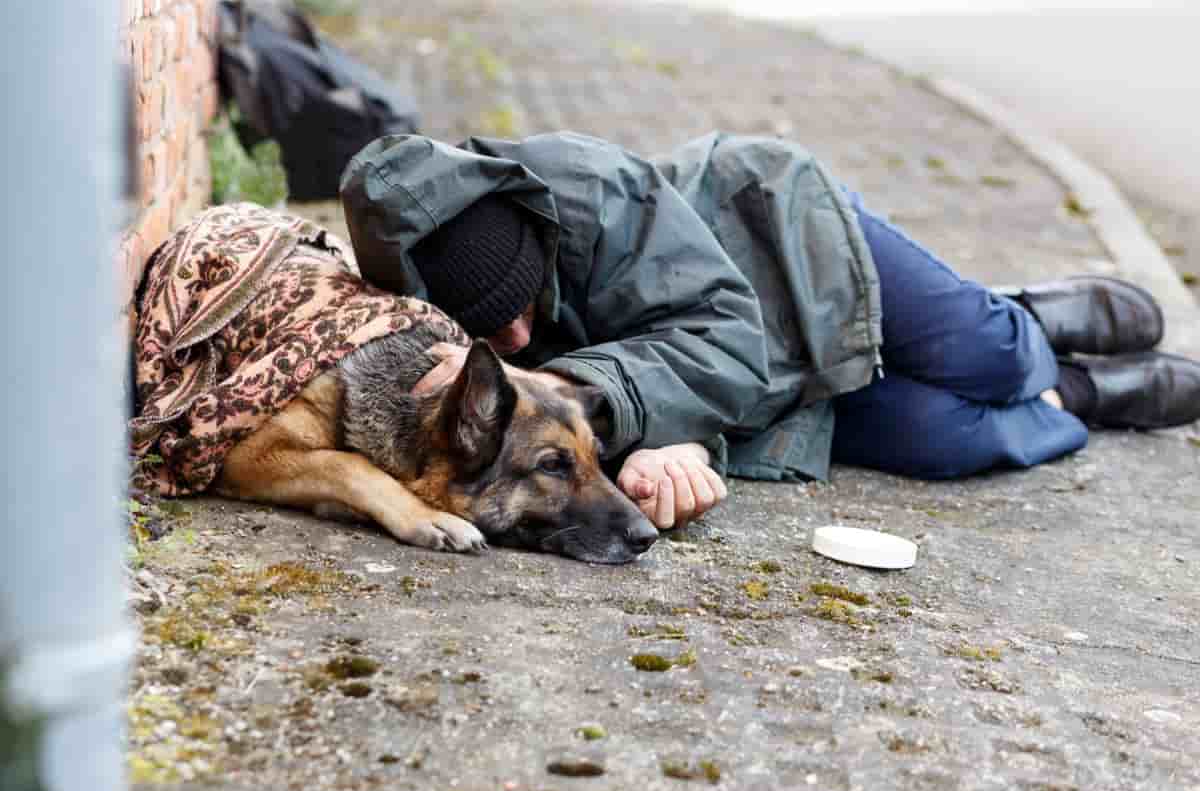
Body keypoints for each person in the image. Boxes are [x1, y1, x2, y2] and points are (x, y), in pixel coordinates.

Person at [339, 131, 1200, 530]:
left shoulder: (585, 185)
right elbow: (607, 418)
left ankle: (1026, 319)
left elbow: (718, 330)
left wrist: (572, 387)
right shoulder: (433, 313)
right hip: (742, 384)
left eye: (523, 305)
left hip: (782, 250)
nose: (517, 340)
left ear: (532, 236)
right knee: (950, 438)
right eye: (491, 329)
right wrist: (670, 448)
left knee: (990, 358)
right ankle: (1078, 393)